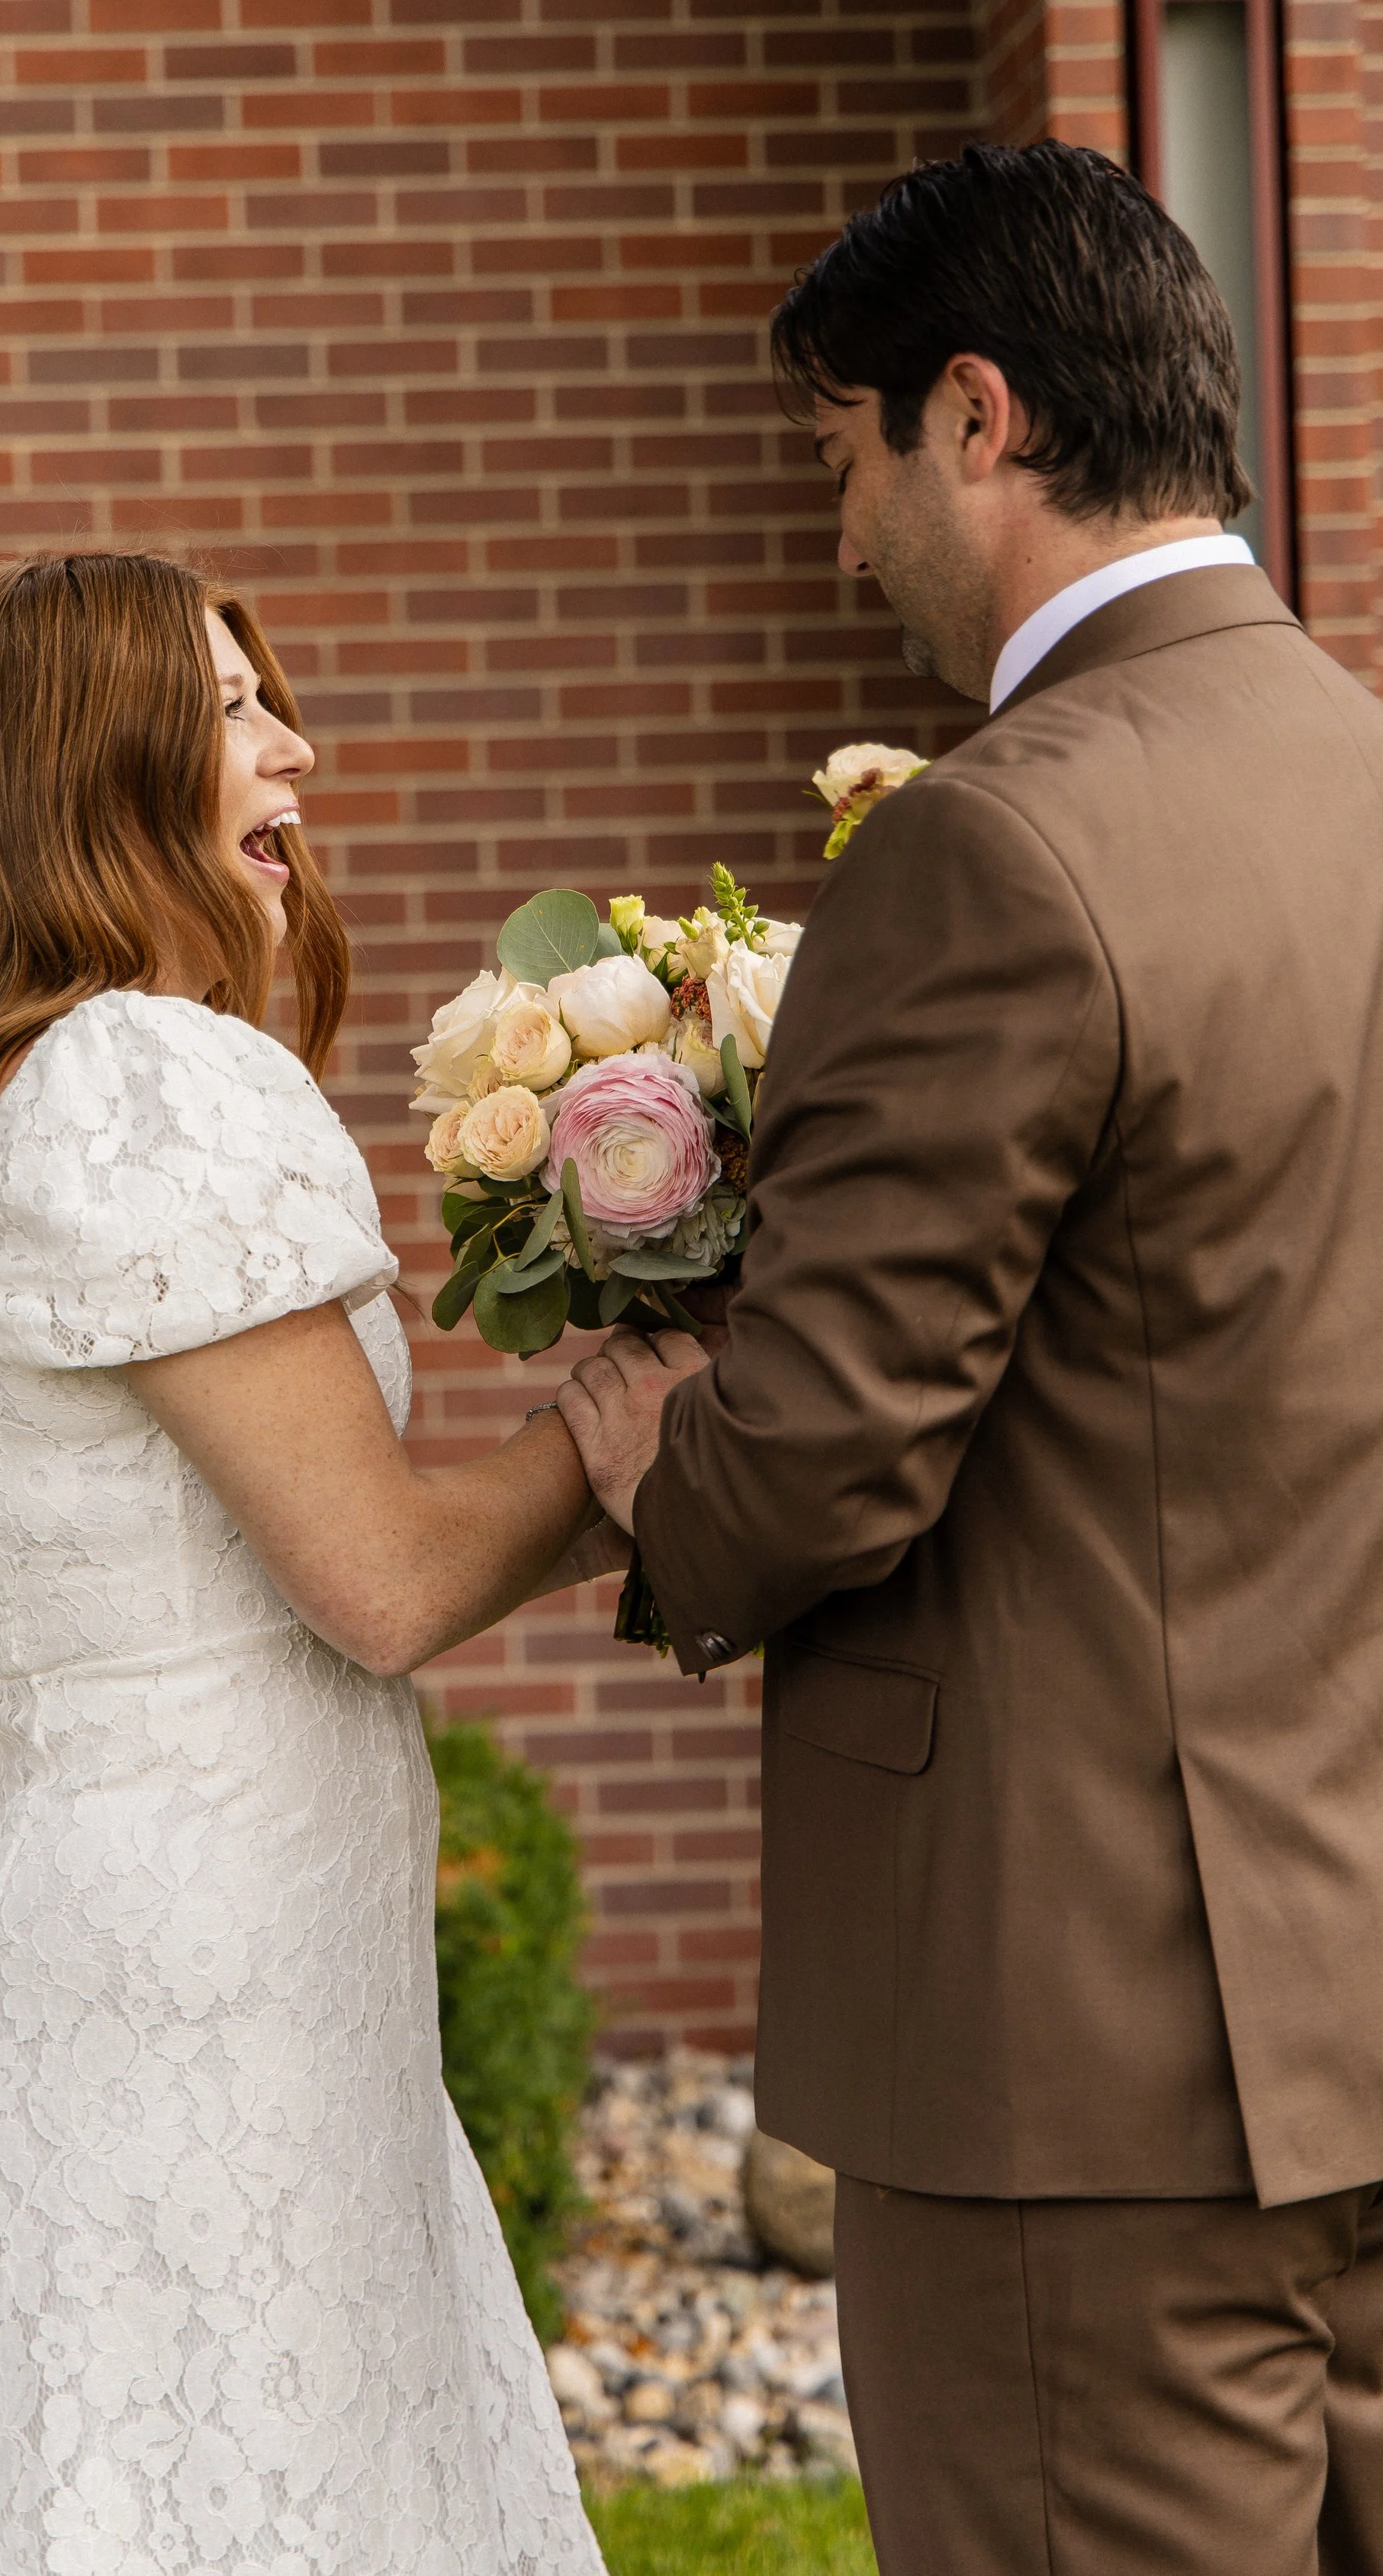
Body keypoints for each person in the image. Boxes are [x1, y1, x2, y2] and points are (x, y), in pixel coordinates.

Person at [557, 142, 1383, 2574]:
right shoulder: (1354, 778)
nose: (840, 546)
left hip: (1078, 2078)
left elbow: (814, 1466)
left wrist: (645, 1448)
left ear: (977, 418)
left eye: (840, 460)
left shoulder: (992, 846)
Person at [0, 552, 614, 2576]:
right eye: (234, 707)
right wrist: (663, 1404)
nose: (295, 747)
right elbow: (384, 1577)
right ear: (88, 769)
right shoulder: (145, 1076)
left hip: (159, 1971)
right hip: (194, 2006)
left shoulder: (19, 1086)